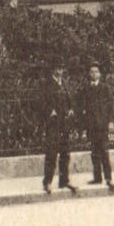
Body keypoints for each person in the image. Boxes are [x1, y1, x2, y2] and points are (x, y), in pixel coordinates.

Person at [40, 65, 77, 195]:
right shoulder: (47, 84)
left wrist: (71, 108)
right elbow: (42, 102)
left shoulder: (65, 83)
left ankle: (64, 180)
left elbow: (70, 99)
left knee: (65, 153)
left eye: (61, 68)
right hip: (53, 124)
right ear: (53, 70)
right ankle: (47, 182)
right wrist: (50, 111)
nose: (59, 70)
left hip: (64, 124)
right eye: (57, 68)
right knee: (51, 153)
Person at [78, 61, 114, 192]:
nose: (94, 74)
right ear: (89, 74)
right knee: (94, 152)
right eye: (91, 72)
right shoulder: (86, 88)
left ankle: (108, 177)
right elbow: (83, 107)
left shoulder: (105, 88)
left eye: (96, 72)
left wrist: (111, 122)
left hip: (103, 124)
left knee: (104, 151)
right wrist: (83, 126)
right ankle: (97, 177)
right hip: (91, 125)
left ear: (100, 74)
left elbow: (111, 106)